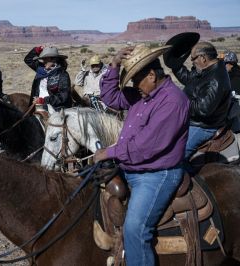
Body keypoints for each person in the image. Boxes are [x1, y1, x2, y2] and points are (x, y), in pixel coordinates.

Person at [94, 44, 190, 266]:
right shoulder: (142, 94)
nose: (134, 86)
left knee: (136, 228)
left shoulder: (173, 101)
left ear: (151, 75)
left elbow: (144, 147)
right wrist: (115, 64)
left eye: (137, 80)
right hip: (131, 166)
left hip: (157, 174)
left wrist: (108, 152)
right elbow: (109, 97)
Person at [164, 36, 232, 161]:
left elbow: (204, 109)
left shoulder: (217, 78)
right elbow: (188, 78)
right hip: (194, 122)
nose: (192, 61)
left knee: (175, 156)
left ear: (203, 58)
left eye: (193, 58)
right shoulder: (206, 70)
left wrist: (181, 100)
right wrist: (176, 65)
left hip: (203, 127)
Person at [24, 46, 72, 111]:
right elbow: (28, 60)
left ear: (54, 60)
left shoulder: (62, 74)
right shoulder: (41, 69)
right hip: (37, 106)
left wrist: (44, 100)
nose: (43, 61)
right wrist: (36, 50)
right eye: (43, 59)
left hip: (55, 109)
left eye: (45, 59)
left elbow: (63, 96)